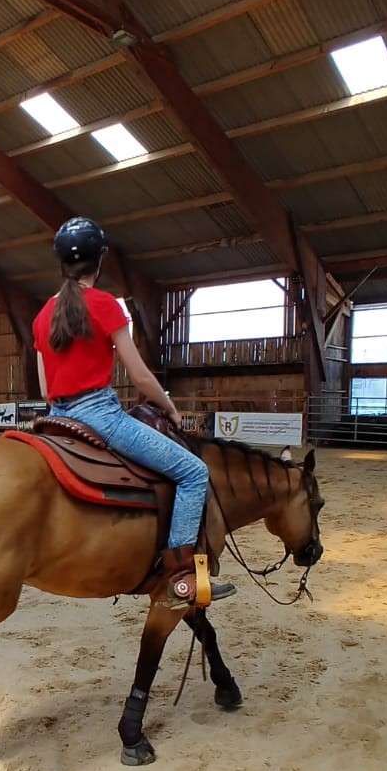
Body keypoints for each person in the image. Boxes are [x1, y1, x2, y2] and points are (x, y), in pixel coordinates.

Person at [33, 217, 233, 609]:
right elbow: (140, 376)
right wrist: (169, 407)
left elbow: (43, 388)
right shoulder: (106, 304)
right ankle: (181, 578)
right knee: (194, 472)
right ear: (100, 259)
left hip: (55, 418)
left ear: (61, 263)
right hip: (99, 416)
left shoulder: (43, 315)